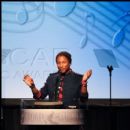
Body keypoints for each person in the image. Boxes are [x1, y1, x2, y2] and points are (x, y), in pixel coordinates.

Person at [23, 51, 92, 108]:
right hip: (53, 116)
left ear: (70, 63)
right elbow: (39, 96)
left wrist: (84, 82)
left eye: (64, 62)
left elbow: (84, 99)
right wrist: (32, 86)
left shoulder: (78, 78)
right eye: (59, 63)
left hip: (71, 117)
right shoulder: (51, 78)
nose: (61, 65)